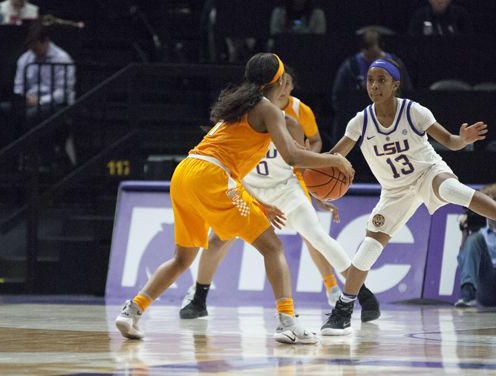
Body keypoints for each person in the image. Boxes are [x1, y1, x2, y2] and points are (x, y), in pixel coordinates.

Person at [114, 53, 354, 345]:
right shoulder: (268, 110)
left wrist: (260, 204)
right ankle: (287, 322)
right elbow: (291, 156)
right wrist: (334, 160)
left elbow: (234, 162)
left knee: (182, 258)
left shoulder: (238, 103)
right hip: (214, 177)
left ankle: (132, 310)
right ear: (278, 82)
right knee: (273, 248)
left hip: (186, 173)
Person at [320, 59, 496, 335]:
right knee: (367, 249)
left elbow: (450, 141)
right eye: (370, 80)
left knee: (454, 190)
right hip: (394, 191)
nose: (374, 85)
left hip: (428, 173)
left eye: (381, 80)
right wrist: (307, 163)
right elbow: (333, 158)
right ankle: (344, 310)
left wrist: (462, 140)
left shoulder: (414, 111)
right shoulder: (361, 121)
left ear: (395, 85)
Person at [179, 69, 380, 322]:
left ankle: (361, 293)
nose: (285, 89)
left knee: (317, 236)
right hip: (249, 189)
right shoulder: (239, 118)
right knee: (218, 240)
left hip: (285, 190)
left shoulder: (293, 124)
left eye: (287, 84)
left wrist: (317, 195)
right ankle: (198, 299)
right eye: (281, 84)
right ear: (268, 88)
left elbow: (299, 164)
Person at [0, 23, 75, 152]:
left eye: (37, 48)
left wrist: (40, 101)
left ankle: (39, 158)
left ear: (46, 41)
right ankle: (8, 155)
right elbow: (18, 86)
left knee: (32, 115)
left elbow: (63, 92)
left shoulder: (63, 59)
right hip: (28, 102)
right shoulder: (25, 58)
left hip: (56, 105)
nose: (35, 52)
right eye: (32, 48)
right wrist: (23, 98)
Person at [331, 26, 413, 143]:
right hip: (358, 117)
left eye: (375, 56)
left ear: (381, 48)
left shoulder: (395, 64)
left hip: (391, 116)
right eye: (368, 57)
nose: (372, 62)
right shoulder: (350, 66)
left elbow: (407, 92)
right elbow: (337, 98)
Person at [407, 0, 473, 36]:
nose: (439, 1)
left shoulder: (460, 14)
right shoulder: (420, 15)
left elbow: (470, 42)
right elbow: (411, 42)